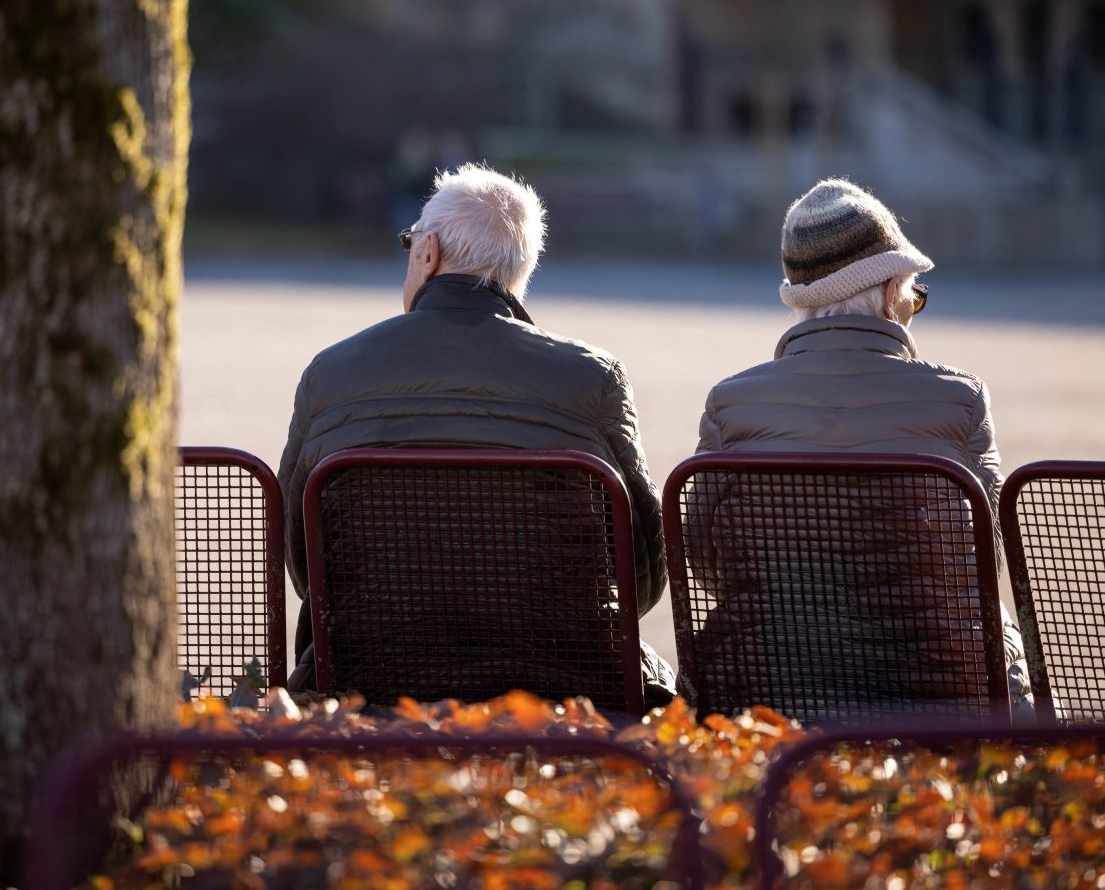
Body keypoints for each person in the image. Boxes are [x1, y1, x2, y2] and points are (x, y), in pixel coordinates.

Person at [279, 163, 671, 704]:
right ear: (518, 273)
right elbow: (642, 573)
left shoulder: (331, 373)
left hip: (369, 679)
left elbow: (304, 562)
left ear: (427, 252)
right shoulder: (592, 378)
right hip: (561, 683)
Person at [694, 177, 1031, 714]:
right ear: (892, 288)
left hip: (770, 696)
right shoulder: (961, 401)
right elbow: (983, 562)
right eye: (913, 294)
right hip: (942, 696)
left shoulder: (730, 406)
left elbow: (708, 566)